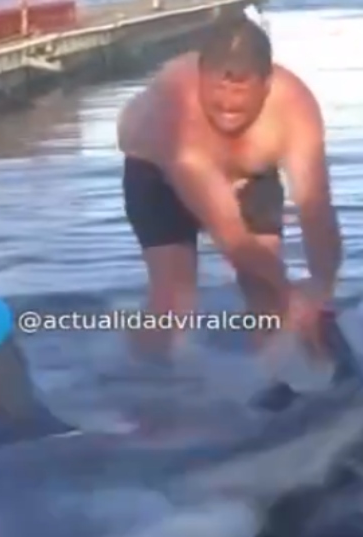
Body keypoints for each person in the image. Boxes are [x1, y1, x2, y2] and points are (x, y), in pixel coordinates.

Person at [117, 11, 344, 367]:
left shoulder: (296, 108)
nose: (226, 109)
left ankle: (279, 378)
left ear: (266, 84)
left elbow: (316, 208)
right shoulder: (175, 114)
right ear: (200, 77)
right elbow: (232, 238)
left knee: (266, 293)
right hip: (157, 171)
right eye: (216, 98)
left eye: (239, 102)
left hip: (251, 171)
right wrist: (292, 295)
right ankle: (142, 381)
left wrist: (320, 292)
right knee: (176, 298)